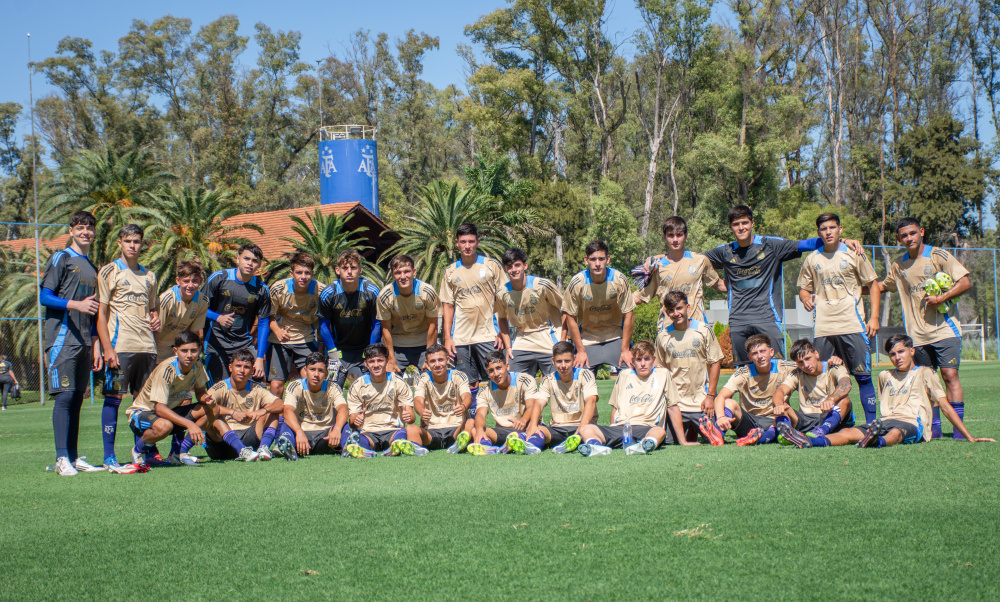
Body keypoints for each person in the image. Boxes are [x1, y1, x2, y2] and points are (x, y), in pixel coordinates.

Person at [703, 205, 862, 364]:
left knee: (777, 370)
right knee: (744, 374)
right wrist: (717, 283)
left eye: (744, 222)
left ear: (752, 223)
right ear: (731, 227)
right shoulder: (725, 251)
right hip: (738, 320)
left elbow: (805, 244)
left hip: (768, 318)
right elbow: (697, 261)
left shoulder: (771, 245)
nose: (741, 227)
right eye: (736, 224)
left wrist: (842, 241)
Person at [801, 334, 994, 448]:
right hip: (885, 420)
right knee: (851, 432)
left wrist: (969, 436)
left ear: (912, 351)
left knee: (897, 433)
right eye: (892, 354)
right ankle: (812, 442)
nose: (896, 357)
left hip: (912, 422)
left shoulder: (926, 373)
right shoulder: (885, 375)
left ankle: (877, 442)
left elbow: (944, 405)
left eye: (901, 352)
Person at [880, 217, 971, 439]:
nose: (908, 238)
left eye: (912, 233)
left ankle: (958, 431)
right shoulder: (898, 265)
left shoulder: (937, 255)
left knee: (950, 376)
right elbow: (883, 286)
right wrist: (855, 289)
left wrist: (942, 297)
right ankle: (935, 427)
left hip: (944, 330)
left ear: (921, 232)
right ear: (898, 239)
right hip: (917, 336)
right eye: (904, 235)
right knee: (928, 381)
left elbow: (965, 281)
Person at [797, 212, 880, 423]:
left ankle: (871, 424)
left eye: (832, 228)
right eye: (824, 229)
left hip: (852, 323)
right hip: (824, 328)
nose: (828, 232)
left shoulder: (854, 253)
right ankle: (840, 421)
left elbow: (873, 284)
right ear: (819, 233)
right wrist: (805, 298)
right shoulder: (812, 258)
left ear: (840, 230)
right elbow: (803, 290)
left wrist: (875, 317)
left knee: (862, 377)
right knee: (826, 378)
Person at [40, 211, 105, 476]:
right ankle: (61, 458)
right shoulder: (61, 257)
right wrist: (74, 304)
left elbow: (95, 310)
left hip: (84, 341)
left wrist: (96, 343)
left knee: (77, 398)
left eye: (90, 228)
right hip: (61, 339)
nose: (85, 232)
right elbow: (45, 296)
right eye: (80, 227)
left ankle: (75, 457)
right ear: (71, 230)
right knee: (64, 397)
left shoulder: (92, 266)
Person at [96, 224, 160, 472]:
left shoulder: (149, 276)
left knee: (142, 403)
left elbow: (152, 311)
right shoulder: (110, 271)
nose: (133, 245)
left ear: (142, 244)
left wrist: (156, 320)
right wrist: (107, 348)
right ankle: (109, 456)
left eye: (137, 241)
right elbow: (101, 314)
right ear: (120, 243)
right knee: (113, 398)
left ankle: (140, 453)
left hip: (147, 347)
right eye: (128, 241)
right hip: (120, 346)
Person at [440, 223, 508, 411]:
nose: (467, 245)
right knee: (468, 384)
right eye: (463, 242)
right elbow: (447, 305)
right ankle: (471, 425)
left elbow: (504, 299)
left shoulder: (491, 265)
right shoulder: (450, 271)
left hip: (488, 334)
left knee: (498, 377)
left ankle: (502, 421)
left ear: (478, 241)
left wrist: (502, 332)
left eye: (471, 241)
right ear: (457, 244)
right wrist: (448, 338)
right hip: (461, 338)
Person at [576, 341, 686, 455]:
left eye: (647, 359)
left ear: (654, 360)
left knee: (660, 431)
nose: (643, 363)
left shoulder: (663, 374)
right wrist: (612, 429)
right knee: (586, 429)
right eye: (639, 360)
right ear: (633, 361)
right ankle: (595, 446)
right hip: (622, 427)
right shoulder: (624, 374)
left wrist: (683, 441)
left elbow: (673, 407)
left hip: (647, 427)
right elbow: (615, 407)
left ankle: (645, 445)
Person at [124, 331, 214, 466]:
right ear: (175, 351)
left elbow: (200, 391)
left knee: (212, 409)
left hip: (168, 413)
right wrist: (190, 424)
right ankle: (138, 450)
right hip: (141, 413)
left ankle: (180, 453)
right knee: (165, 426)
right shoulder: (167, 369)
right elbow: (159, 409)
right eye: (184, 351)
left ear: (199, 350)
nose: (189, 355)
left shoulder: (198, 365)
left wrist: (207, 398)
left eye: (194, 351)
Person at [654, 291, 722, 444]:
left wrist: (711, 396)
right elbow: (660, 370)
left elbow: (715, 361)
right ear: (666, 312)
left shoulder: (704, 330)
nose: (676, 313)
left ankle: (693, 428)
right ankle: (688, 430)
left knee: (716, 440)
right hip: (676, 405)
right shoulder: (663, 336)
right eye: (671, 310)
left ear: (688, 307)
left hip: (702, 403)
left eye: (679, 308)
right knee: (667, 442)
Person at [633, 216, 726, 328]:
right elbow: (641, 296)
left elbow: (719, 284)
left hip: (696, 327)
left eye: (679, 235)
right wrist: (612, 299)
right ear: (664, 237)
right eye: (671, 235)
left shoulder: (700, 260)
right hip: (669, 329)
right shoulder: (658, 266)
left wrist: (744, 287)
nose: (675, 239)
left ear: (685, 236)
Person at [562, 240, 636, 374]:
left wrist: (625, 350)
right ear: (586, 260)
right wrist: (580, 351)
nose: (597, 264)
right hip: (587, 340)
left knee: (630, 373)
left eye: (601, 259)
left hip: (615, 337)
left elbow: (629, 313)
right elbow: (570, 317)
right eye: (593, 259)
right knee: (579, 379)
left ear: (608, 259)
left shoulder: (619, 279)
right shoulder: (577, 282)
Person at [710, 334, 799, 446]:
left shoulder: (785, 367)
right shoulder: (744, 373)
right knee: (729, 402)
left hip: (774, 419)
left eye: (762, 351)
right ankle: (717, 434)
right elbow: (721, 396)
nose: (759, 356)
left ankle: (758, 438)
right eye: (755, 353)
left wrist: (828, 363)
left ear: (771, 352)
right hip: (749, 422)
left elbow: (807, 365)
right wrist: (721, 417)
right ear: (750, 358)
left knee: (784, 408)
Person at [202, 244, 272, 384]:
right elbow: (199, 307)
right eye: (246, 258)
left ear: (259, 265)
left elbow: (264, 322)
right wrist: (218, 317)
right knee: (217, 393)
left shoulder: (261, 289)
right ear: (237, 259)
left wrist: (259, 358)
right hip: (216, 343)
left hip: (243, 344)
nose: (250, 263)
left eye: (254, 261)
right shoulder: (219, 278)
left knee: (257, 386)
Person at [768, 339, 855, 448]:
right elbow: (780, 390)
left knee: (845, 399)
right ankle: (786, 433)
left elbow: (846, 384)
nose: (806, 365)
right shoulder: (797, 373)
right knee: (782, 403)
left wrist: (830, 399)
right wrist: (778, 405)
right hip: (807, 420)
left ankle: (822, 430)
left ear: (816, 354)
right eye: (800, 362)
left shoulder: (833, 368)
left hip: (831, 417)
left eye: (808, 358)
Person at [203, 349, 284, 462]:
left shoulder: (257, 389)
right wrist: (232, 412)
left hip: (250, 443)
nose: (242, 370)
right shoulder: (220, 387)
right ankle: (241, 450)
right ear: (230, 368)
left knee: (273, 411)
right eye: (238, 366)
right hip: (221, 444)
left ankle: (263, 448)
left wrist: (262, 411)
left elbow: (280, 404)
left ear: (252, 370)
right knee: (214, 415)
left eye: (246, 367)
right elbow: (205, 406)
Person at [343, 343, 423, 457]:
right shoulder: (357, 386)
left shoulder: (398, 383)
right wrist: (356, 421)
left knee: (401, 435)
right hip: (367, 431)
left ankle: (397, 445)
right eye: (371, 361)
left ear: (387, 361)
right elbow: (352, 422)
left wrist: (409, 417)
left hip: (393, 429)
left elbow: (411, 416)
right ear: (366, 363)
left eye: (380, 361)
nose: (376, 365)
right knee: (361, 439)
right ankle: (361, 450)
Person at [495, 248, 564, 377]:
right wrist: (508, 347)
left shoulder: (542, 285)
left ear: (525, 265)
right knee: (514, 383)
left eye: (517, 265)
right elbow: (502, 318)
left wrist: (563, 339)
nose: (514, 270)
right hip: (522, 340)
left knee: (558, 384)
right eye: (509, 267)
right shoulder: (501, 293)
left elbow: (566, 309)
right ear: (505, 269)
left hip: (548, 338)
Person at [319, 250, 381, 388]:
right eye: (345, 268)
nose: (349, 272)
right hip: (339, 351)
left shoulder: (371, 291)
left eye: (353, 268)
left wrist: (370, 351)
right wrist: (332, 352)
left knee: (368, 390)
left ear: (360, 269)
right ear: (337, 270)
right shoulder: (328, 294)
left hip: (364, 350)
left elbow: (377, 324)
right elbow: (323, 325)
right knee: (330, 391)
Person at [467, 350, 548, 455]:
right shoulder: (484, 391)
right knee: (475, 430)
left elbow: (531, 406)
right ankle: (487, 448)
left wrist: (523, 420)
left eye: (499, 368)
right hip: (503, 431)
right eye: (491, 371)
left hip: (526, 427)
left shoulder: (525, 380)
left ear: (507, 366)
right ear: (487, 373)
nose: (496, 374)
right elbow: (480, 414)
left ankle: (530, 445)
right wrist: (479, 430)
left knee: (538, 430)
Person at [267, 252, 326, 397]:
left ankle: (306, 417)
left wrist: (321, 348)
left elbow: (324, 322)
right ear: (291, 273)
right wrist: (278, 331)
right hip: (279, 340)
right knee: (276, 386)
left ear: (313, 273)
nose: (303, 276)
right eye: (299, 272)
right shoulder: (278, 288)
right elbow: (268, 317)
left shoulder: (321, 291)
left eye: (307, 273)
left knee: (311, 381)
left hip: (305, 338)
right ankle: (277, 419)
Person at [272, 352, 349, 460]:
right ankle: (288, 445)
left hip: (326, 436)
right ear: (305, 370)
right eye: (312, 369)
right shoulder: (295, 386)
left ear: (326, 373)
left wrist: (337, 428)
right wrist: (299, 431)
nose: (316, 374)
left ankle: (349, 447)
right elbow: (287, 411)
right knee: (286, 425)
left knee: (344, 425)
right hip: (302, 436)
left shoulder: (333, 387)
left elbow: (343, 409)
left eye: (321, 370)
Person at [376, 254, 439, 375]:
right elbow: (385, 329)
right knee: (390, 382)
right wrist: (391, 360)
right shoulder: (385, 296)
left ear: (414, 272)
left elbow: (433, 325)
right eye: (398, 273)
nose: (403, 276)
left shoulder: (427, 292)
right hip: (398, 345)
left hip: (424, 343)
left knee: (431, 380)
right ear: (393, 275)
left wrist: (429, 356)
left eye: (407, 271)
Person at [534, 341, 599, 453]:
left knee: (589, 433)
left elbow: (591, 401)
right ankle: (532, 446)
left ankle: (593, 447)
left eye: (567, 361)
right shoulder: (548, 379)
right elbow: (539, 403)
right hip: (557, 428)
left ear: (574, 360)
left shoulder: (585, 375)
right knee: (538, 430)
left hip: (582, 425)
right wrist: (532, 425)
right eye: (559, 361)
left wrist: (581, 428)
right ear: (553, 361)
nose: (563, 365)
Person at [411, 344, 475, 453]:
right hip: (431, 430)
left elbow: (467, 396)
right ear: (426, 363)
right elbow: (418, 400)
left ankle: (459, 444)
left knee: (471, 422)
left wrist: (463, 407)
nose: (437, 364)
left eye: (441, 360)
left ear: (447, 360)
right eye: (432, 361)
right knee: (411, 429)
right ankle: (416, 450)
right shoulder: (422, 379)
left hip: (456, 428)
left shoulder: (459, 376)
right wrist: (421, 411)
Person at [155, 259, 208, 363]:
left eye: (195, 281)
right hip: (159, 351)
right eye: (186, 281)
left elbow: (194, 332)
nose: (190, 285)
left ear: (201, 281)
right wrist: (153, 355)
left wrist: (193, 356)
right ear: (178, 280)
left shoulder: (203, 301)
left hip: (180, 352)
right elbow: (155, 331)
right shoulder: (167, 299)